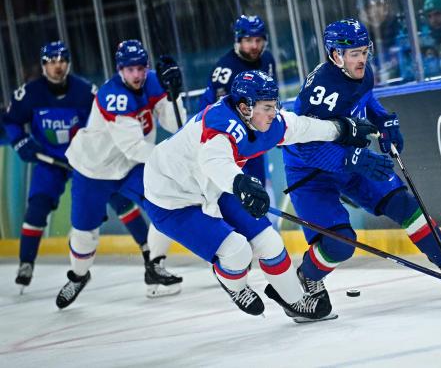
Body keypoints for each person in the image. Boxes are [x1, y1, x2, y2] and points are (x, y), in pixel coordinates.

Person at [282, 19, 441, 318]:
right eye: (354, 54)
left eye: (365, 51)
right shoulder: (321, 90)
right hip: (309, 172)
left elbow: (366, 103)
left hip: (350, 159)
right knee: (340, 243)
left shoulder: (362, 73)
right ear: (336, 55)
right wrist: (351, 160)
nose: (362, 58)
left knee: (405, 204)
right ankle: (308, 277)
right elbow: (305, 146)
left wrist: (384, 120)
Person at [142, 69, 377, 322]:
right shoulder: (221, 126)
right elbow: (213, 160)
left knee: (270, 243)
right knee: (237, 252)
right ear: (245, 107)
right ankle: (234, 285)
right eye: (267, 107)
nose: (273, 113)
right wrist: (239, 182)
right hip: (171, 197)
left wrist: (342, 129)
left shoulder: (264, 121)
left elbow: (301, 127)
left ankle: (296, 303)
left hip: (214, 186)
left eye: (274, 106)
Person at [2, 41, 154, 291]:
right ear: (43, 66)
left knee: (121, 200)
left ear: (68, 63)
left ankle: (148, 253)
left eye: (61, 61)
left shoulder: (86, 91)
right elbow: (11, 121)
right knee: (37, 208)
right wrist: (19, 141)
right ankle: (26, 263)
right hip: (50, 162)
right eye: (51, 62)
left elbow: (103, 123)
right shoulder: (30, 93)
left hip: (86, 163)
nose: (57, 66)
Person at [55, 40, 186, 309]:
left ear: (147, 67)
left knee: (168, 205)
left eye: (140, 68)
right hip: (93, 169)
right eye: (129, 70)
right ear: (119, 70)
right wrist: (172, 160)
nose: (136, 75)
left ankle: (155, 269)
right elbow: (134, 147)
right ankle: (79, 276)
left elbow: (175, 126)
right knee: (84, 233)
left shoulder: (152, 81)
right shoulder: (111, 94)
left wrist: (174, 95)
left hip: (130, 168)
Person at [198, 15, 276, 186]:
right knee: (236, 190)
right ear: (238, 41)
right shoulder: (225, 70)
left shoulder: (267, 60)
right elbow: (217, 114)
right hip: (227, 139)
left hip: (253, 134)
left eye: (258, 40)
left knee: (258, 186)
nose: (254, 46)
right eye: (248, 40)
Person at [356, 0, 401, 83]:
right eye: (368, 7)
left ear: (388, 6)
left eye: (379, 5)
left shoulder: (401, 29)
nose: (374, 11)